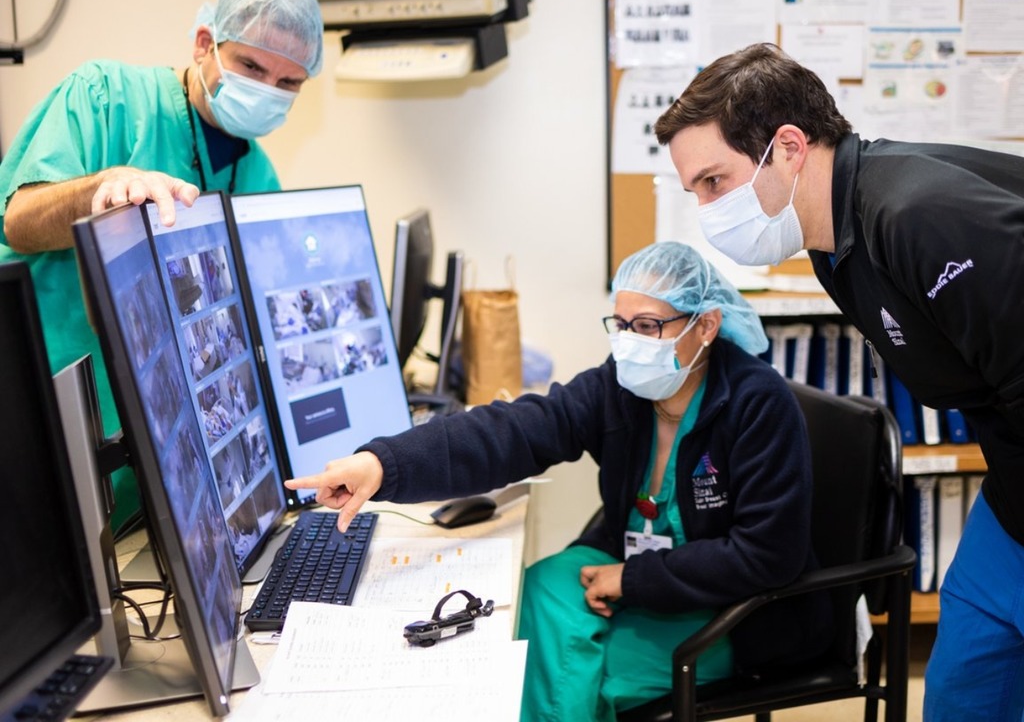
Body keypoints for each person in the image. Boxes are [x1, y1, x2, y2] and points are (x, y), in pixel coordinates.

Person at [286, 240, 832, 722]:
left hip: (737, 612)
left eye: (647, 326)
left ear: (706, 326)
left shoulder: (759, 404)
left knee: (569, 676)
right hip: (640, 567)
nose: (629, 343)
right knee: (527, 601)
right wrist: (384, 466)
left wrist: (632, 580)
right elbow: (515, 431)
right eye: (621, 325)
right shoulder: (622, 388)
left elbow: (767, 556)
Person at [653, 42, 1024, 722]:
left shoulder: (918, 216)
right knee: (963, 692)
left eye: (714, 182)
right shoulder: (834, 239)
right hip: (1014, 496)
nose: (707, 212)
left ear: (788, 147)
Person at [0, 0, 323, 531]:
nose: (267, 91)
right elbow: (18, 219)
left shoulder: (259, 177)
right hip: (42, 428)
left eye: (288, 83)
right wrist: (100, 191)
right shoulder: (106, 98)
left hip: (153, 476)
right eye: (251, 66)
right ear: (205, 44)